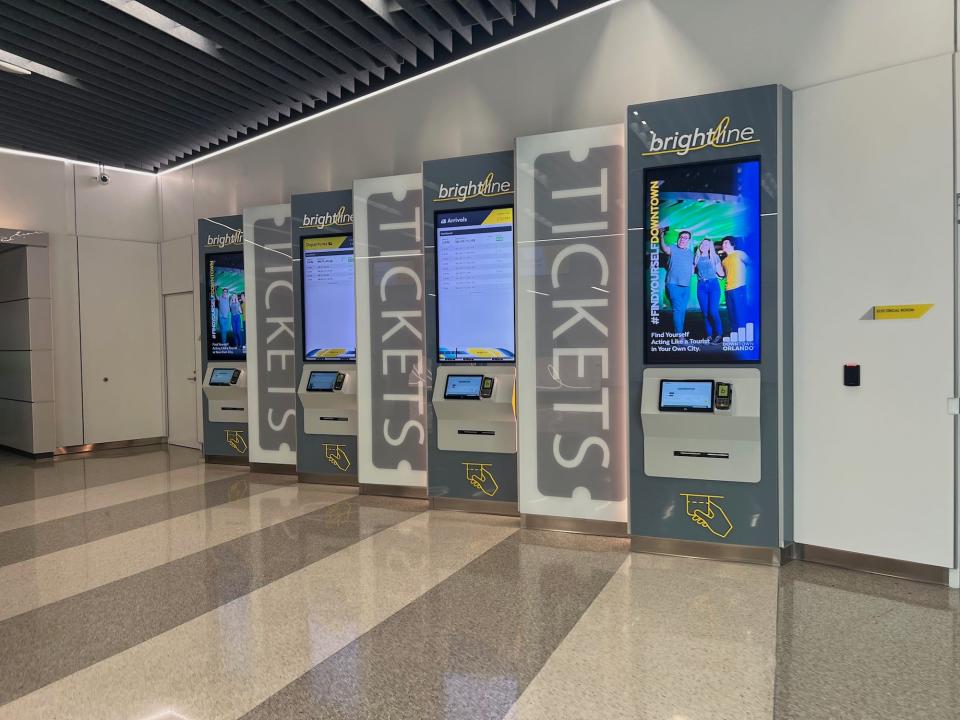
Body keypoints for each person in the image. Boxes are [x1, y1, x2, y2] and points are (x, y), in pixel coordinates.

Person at [661, 230, 695, 336]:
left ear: (688, 240)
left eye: (685, 238)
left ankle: (680, 335)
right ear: (678, 238)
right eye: (681, 237)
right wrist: (661, 236)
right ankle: (679, 337)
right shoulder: (672, 248)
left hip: (686, 286)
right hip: (673, 284)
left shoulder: (690, 254)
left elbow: (692, 269)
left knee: (682, 311)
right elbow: (665, 249)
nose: (682, 239)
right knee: (677, 310)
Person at [695, 239, 725, 342]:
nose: (704, 245)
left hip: (713, 285)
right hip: (701, 286)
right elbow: (691, 270)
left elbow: (721, 273)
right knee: (705, 313)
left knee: (713, 311)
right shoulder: (696, 257)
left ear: (710, 246)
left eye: (707, 244)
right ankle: (709, 335)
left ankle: (719, 334)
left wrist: (722, 273)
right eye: (702, 243)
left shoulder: (714, 257)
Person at [721, 236, 750, 334]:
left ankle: (744, 337)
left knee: (740, 314)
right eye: (723, 243)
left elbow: (751, 264)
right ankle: (736, 336)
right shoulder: (724, 261)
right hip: (728, 290)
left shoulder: (739, 253)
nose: (723, 244)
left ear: (732, 244)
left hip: (739, 288)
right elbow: (724, 275)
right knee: (732, 315)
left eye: (726, 242)